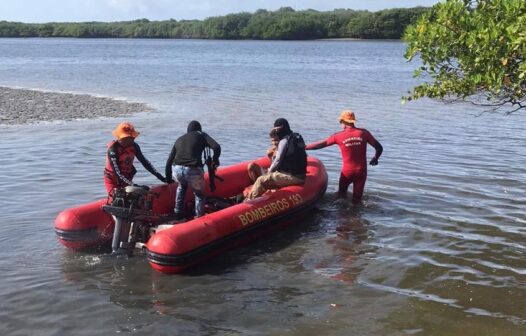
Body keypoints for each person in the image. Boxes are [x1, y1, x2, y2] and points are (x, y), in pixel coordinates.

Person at [305, 110, 383, 204]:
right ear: (353, 121)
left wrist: (304, 147)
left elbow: (321, 144)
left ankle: (342, 216)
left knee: (341, 197)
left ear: (343, 122)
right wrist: (375, 158)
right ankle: (355, 217)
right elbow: (379, 147)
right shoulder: (364, 133)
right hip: (361, 172)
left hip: (347, 172)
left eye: (340, 122)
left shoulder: (338, 136)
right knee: (357, 201)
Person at [165, 120, 221, 219]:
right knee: (199, 194)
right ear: (199, 129)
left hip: (176, 169)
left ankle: (178, 213)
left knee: (181, 187)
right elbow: (216, 147)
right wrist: (215, 160)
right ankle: (199, 217)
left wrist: (168, 178)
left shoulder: (179, 139)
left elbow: (169, 161)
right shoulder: (201, 135)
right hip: (192, 169)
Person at [245, 118, 307, 200]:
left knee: (260, 180)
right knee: (267, 180)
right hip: (301, 175)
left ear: (280, 128)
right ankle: (259, 197)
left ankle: (248, 203)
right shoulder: (296, 137)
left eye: (276, 129)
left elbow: (277, 161)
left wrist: (269, 173)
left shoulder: (284, 141)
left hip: (293, 177)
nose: (276, 132)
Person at [104, 122, 166, 194]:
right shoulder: (113, 149)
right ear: (123, 138)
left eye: (133, 136)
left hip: (127, 176)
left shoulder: (134, 146)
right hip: (112, 178)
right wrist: (134, 185)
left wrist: (161, 178)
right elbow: (117, 172)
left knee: (131, 198)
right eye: (130, 137)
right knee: (116, 198)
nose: (133, 138)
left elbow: (145, 162)